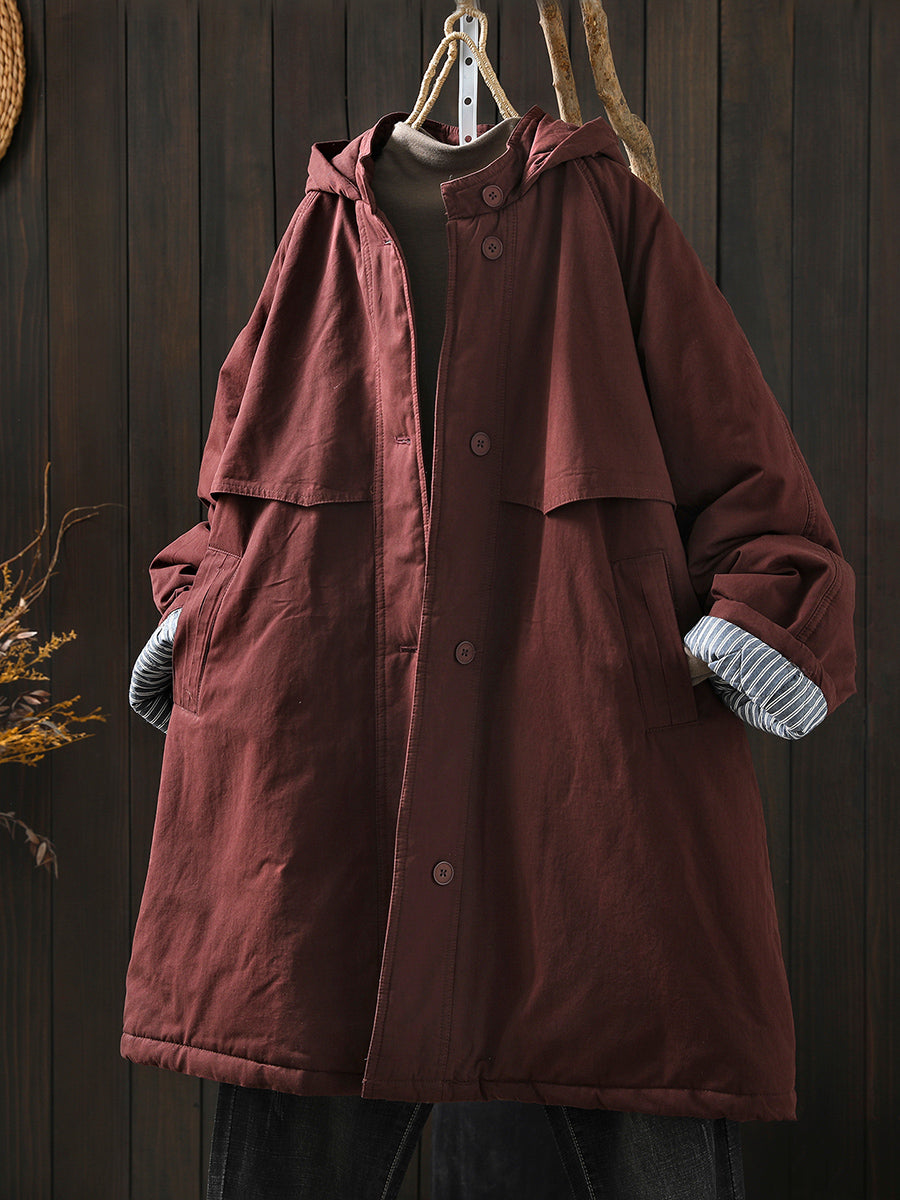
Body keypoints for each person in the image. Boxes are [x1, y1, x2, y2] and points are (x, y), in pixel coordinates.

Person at [126, 107, 856, 1200]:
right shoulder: (321, 234)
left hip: (592, 815)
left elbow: (761, 498)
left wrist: (699, 653)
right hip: (322, 817)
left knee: (624, 1036)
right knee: (312, 1034)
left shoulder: (607, 218)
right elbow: (230, 509)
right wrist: (204, 622)